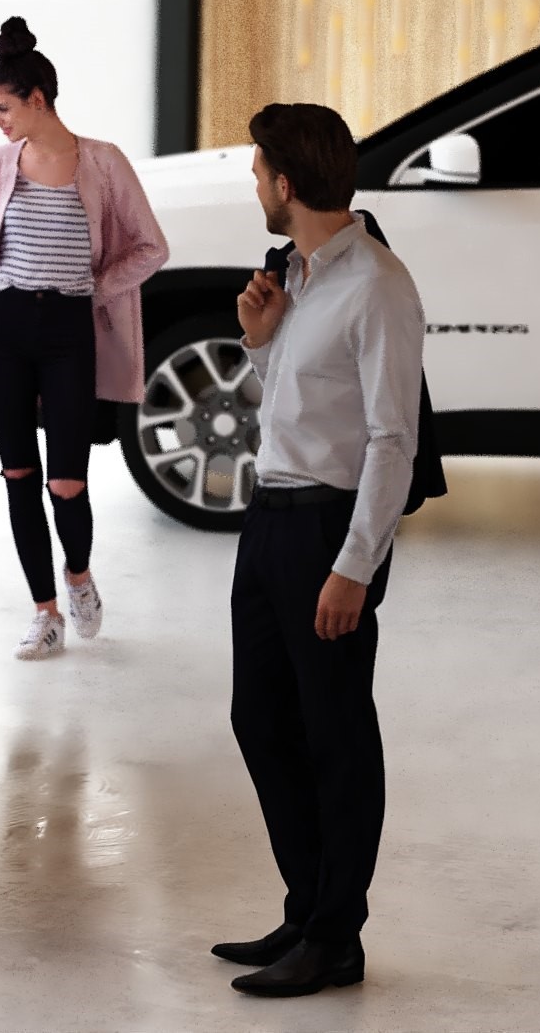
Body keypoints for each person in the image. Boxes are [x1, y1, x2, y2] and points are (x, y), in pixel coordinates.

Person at [215, 103, 424, 997]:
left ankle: (337, 937)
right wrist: (262, 345)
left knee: (335, 732)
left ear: (287, 184)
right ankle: (308, 909)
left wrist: (354, 566)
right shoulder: (295, 277)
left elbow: (392, 441)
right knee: (260, 719)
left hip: (328, 532)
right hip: (270, 519)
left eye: (258, 174)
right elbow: (301, 408)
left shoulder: (377, 285)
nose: (255, 187)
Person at [0, 16, 167, 658]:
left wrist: (94, 288)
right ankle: (44, 613)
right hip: (3, 330)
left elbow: (152, 246)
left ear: (37, 99)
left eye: (3, 108)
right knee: (17, 474)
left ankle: (78, 578)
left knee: (67, 482)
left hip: (67, 333)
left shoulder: (103, 161)